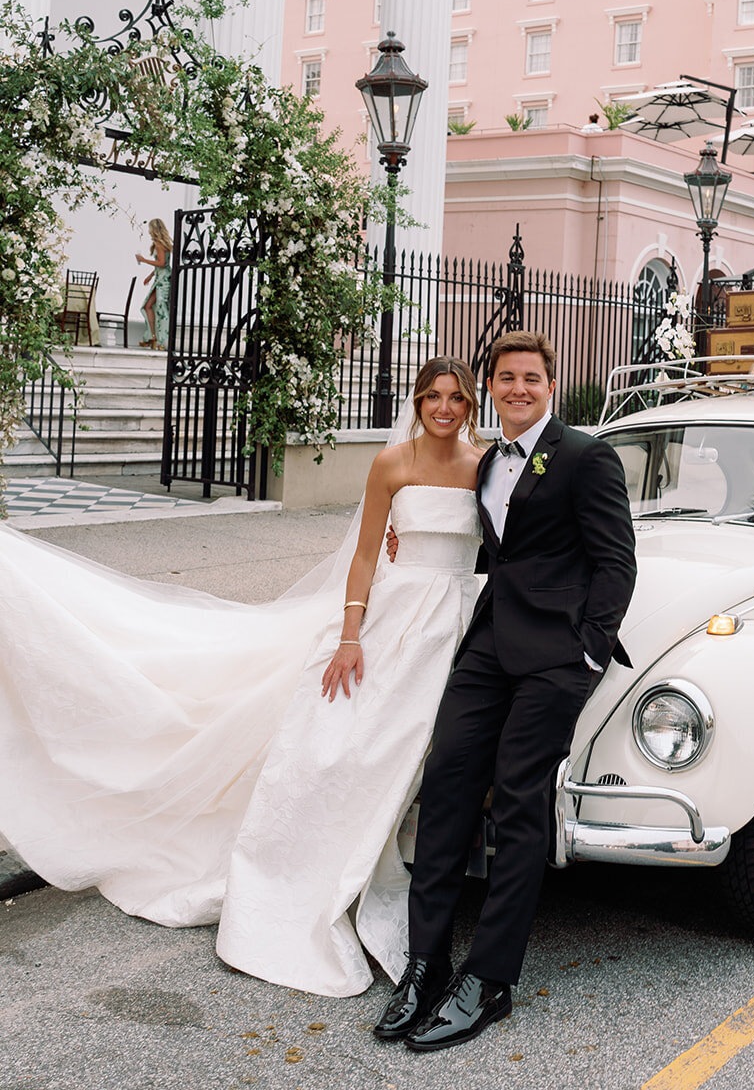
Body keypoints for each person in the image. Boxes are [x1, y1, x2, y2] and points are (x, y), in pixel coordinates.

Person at [0, 356, 484, 997]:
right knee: (349, 742)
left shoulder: (486, 466)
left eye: (455, 398)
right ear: (418, 402)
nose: (444, 408)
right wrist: (348, 636)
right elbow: (367, 552)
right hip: (396, 619)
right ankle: (305, 875)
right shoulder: (391, 463)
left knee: (412, 751)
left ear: (470, 405)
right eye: (433, 397)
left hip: (459, 618)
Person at [375, 329, 637, 1054]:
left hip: (556, 658)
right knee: (448, 787)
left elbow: (617, 562)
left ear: (550, 384)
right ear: (490, 385)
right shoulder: (489, 460)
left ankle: (488, 979)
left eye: (531, 377)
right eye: (506, 377)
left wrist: (587, 653)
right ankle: (424, 966)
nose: (517, 388)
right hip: (487, 647)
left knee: (520, 803)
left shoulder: (587, 456)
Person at [135, 217, 172, 349]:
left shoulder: (159, 244)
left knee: (161, 309)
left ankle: (160, 340)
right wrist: (150, 276)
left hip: (163, 280)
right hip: (161, 278)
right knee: (149, 306)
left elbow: (161, 263)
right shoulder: (162, 243)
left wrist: (144, 260)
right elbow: (163, 264)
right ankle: (153, 337)